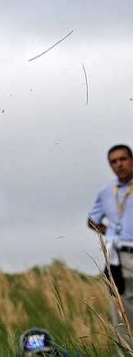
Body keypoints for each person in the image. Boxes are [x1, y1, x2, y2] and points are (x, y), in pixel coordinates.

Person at [87, 143, 133, 349]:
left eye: (123, 159)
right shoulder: (107, 191)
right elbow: (92, 219)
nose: (119, 165)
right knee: (121, 308)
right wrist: (112, 232)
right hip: (116, 256)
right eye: (113, 162)